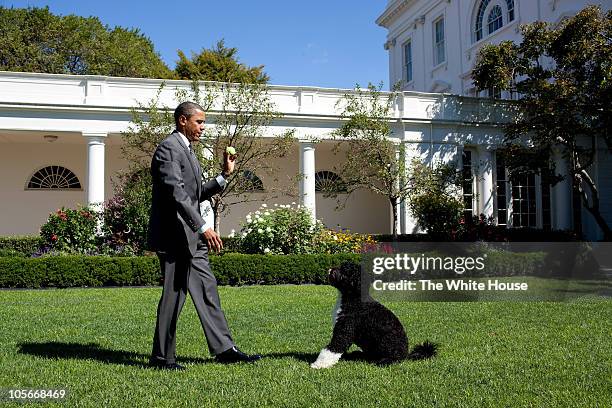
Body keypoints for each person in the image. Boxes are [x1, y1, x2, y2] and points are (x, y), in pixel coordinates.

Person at [147, 101, 261, 370]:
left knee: (208, 290)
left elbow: (195, 193)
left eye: (203, 122)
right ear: (182, 121)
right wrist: (202, 226)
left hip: (192, 237)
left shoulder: (187, 151)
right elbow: (177, 193)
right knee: (174, 296)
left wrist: (224, 175)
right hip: (175, 236)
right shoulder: (168, 149)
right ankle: (162, 358)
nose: (202, 127)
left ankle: (225, 349)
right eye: (199, 122)